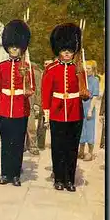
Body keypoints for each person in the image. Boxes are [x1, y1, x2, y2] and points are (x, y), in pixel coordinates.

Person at [42, 23, 88, 192]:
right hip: (57, 112)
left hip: (76, 112)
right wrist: (46, 113)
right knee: (58, 147)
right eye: (64, 50)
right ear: (59, 51)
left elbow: (84, 90)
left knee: (72, 147)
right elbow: (46, 92)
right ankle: (59, 178)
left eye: (70, 50)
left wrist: (85, 92)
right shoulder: (51, 69)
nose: (67, 53)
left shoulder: (79, 70)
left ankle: (70, 179)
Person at [0, 20, 35, 187]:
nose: (14, 50)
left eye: (16, 47)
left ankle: (15, 175)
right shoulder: (2, 67)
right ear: (7, 48)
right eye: (11, 47)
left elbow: (31, 87)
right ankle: (5, 174)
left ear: (21, 48)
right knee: (6, 143)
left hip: (20, 108)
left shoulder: (27, 66)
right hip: (4, 107)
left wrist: (27, 86)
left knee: (18, 143)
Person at [79, 60, 100, 161]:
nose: (86, 70)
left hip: (89, 106)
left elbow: (95, 97)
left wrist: (90, 110)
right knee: (81, 129)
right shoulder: (82, 80)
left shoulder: (95, 80)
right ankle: (81, 150)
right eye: (85, 68)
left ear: (93, 70)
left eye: (89, 69)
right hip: (80, 106)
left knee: (89, 129)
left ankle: (90, 152)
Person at [24, 63, 43, 155]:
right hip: (18, 101)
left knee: (31, 125)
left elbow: (38, 88)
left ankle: (33, 145)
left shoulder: (35, 72)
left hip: (30, 101)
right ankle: (22, 145)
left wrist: (37, 102)